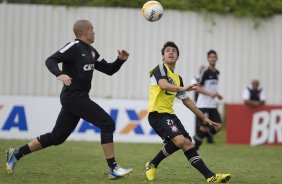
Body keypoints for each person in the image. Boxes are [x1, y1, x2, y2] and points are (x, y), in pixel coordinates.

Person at [5, 19, 133, 179]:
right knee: (107, 123)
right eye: (92, 30)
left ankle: (16, 153)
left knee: (57, 137)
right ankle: (113, 168)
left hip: (77, 98)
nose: (94, 32)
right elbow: (50, 60)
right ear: (85, 31)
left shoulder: (92, 51)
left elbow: (109, 70)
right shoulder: (73, 47)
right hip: (73, 97)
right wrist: (59, 73)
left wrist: (120, 60)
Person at [145, 41, 231, 183]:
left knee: (187, 144)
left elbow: (188, 102)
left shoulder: (178, 78)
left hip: (169, 115)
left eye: (174, 51)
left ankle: (210, 176)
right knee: (179, 140)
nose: (171, 52)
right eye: (167, 50)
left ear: (178, 56)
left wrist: (205, 118)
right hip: (157, 114)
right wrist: (184, 88)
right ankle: (152, 164)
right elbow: (164, 85)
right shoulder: (160, 68)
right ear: (163, 56)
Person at [193, 50, 223, 151]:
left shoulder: (217, 72)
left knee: (218, 126)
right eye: (210, 57)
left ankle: (197, 138)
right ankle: (196, 147)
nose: (212, 59)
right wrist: (210, 94)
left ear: (216, 58)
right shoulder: (205, 72)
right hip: (203, 104)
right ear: (208, 59)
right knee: (204, 128)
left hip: (212, 105)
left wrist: (217, 94)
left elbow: (211, 87)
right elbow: (198, 88)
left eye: (214, 57)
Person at [191, 65, 215, 144]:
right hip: (198, 102)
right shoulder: (195, 79)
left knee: (206, 121)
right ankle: (200, 136)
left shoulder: (208, 79)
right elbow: (196, 89)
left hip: (207, 103)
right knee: (199, 122)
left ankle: (204, 137)